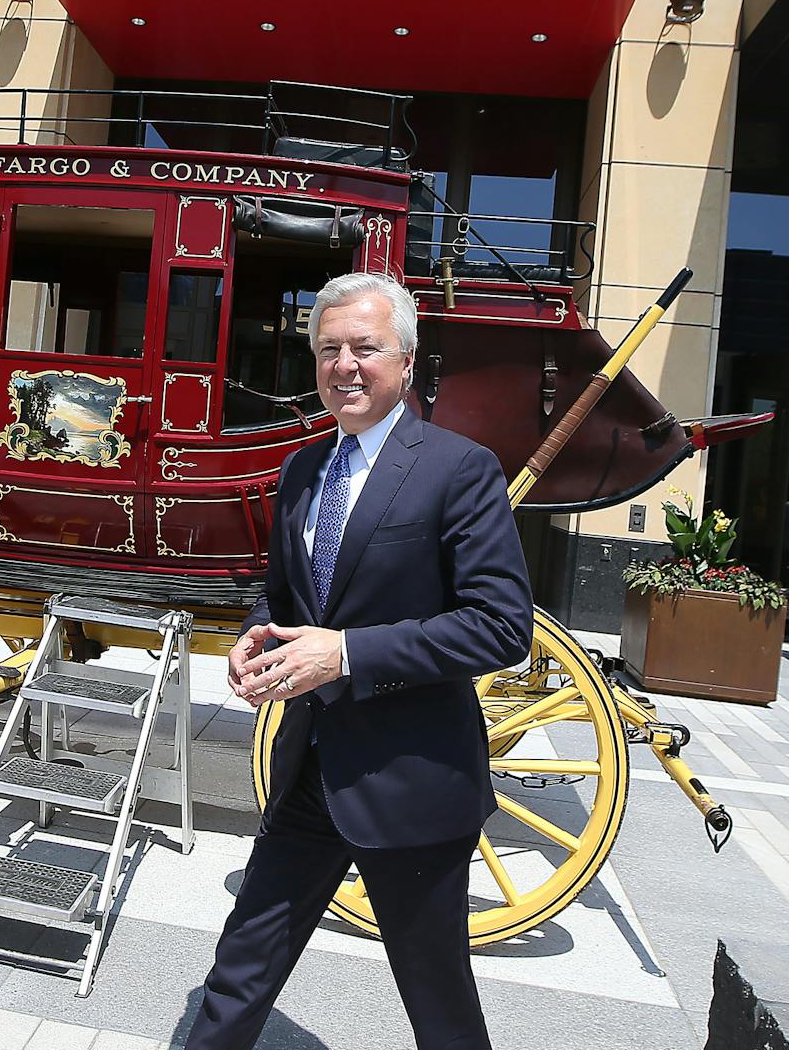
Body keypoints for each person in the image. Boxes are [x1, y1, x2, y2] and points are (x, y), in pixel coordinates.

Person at [185, 272, 533, 1050]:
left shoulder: (460, 469)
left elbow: (501, 627)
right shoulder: (304, 470)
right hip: (310, 767)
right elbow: (289, 598)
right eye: (329, 349)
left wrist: (346, 654)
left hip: (413, 780)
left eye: (365, 349)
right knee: (243, 962)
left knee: (436, 995)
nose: (345, 365)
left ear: (406, 362)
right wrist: (258, 633)